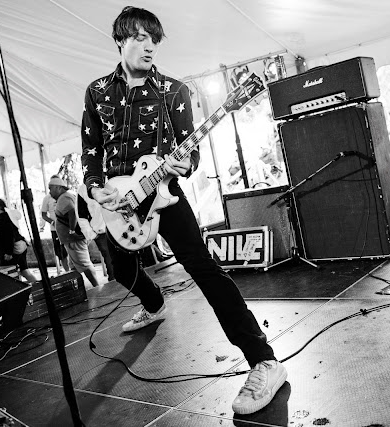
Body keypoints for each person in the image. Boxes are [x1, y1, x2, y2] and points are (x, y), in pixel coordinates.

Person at [80, 7, 286, 415]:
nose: (148, 45)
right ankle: (154, 305)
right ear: (120, 40)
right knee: (119, 268)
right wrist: (97, 189)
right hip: (118, 205)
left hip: (163, 196)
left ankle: (263, 359)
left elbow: (188, 153)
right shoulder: (98, 91)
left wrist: (181, 165)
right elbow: (91, 150)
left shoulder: (172, 91)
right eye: (138, 37)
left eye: (153, 39)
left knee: (204, 268)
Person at [50, 176, 100, 288]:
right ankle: (76, 288)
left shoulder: (64, 197)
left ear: (58, 188)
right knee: (74, 267)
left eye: (51, 188)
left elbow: (72, 212)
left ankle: (97, 286)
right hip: (71, 239)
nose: (50, 192)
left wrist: (72, 230)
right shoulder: (67, 196)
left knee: (84, 264)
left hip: (73, 239)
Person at [0, 198, 37, 282]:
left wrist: (8, 253)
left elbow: (9, 236)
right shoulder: (8, 216)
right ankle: (36, 284)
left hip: (14, 248)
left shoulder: (2, 219)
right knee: (24, 270)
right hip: (21, 244)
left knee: (11, 272)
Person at [76, 184, 115, 281]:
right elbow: (81, 216)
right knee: (112, 268)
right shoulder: (83, 189)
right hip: (102, 234)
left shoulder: (111, 178)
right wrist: (93, 235)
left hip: (121, 227)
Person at [41, 175, 71, 274]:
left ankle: (73, 269)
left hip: (68, 227)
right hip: (56, 229)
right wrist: (52, 222)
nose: (50, 190)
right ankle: (67, 271)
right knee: (61, 252)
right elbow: (44, 215)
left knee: (72, 248)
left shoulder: (67, 196)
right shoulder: (47, 198)